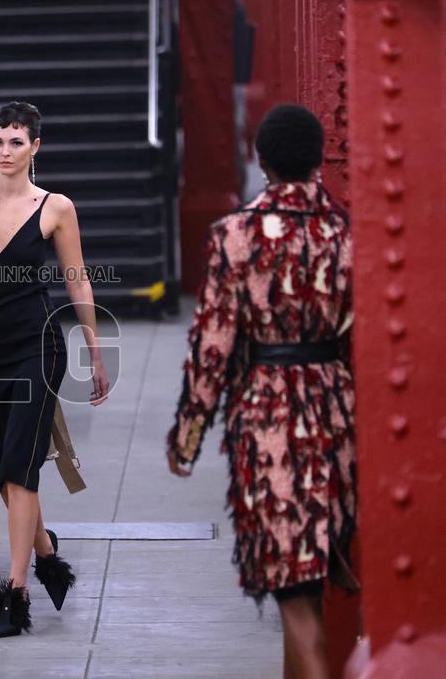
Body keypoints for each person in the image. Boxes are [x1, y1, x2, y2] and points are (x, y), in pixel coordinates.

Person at [166, 104, 358, 679]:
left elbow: (214, 346)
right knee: (316, 570)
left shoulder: (236, 235)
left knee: (292, 586)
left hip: (268, 418)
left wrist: (188, 436)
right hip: (334, 410)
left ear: (261, 159)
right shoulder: (346, 234)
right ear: (318, 158)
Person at [0, 102, 110, 637]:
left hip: (38, 348)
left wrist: (95, 349)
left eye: (15, 142)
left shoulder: (56, 207)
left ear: (35, 147)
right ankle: (48, 554)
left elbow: (77, 280)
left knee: (21, 467)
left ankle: (15, 592)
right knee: (0, 468)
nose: (4, 152)